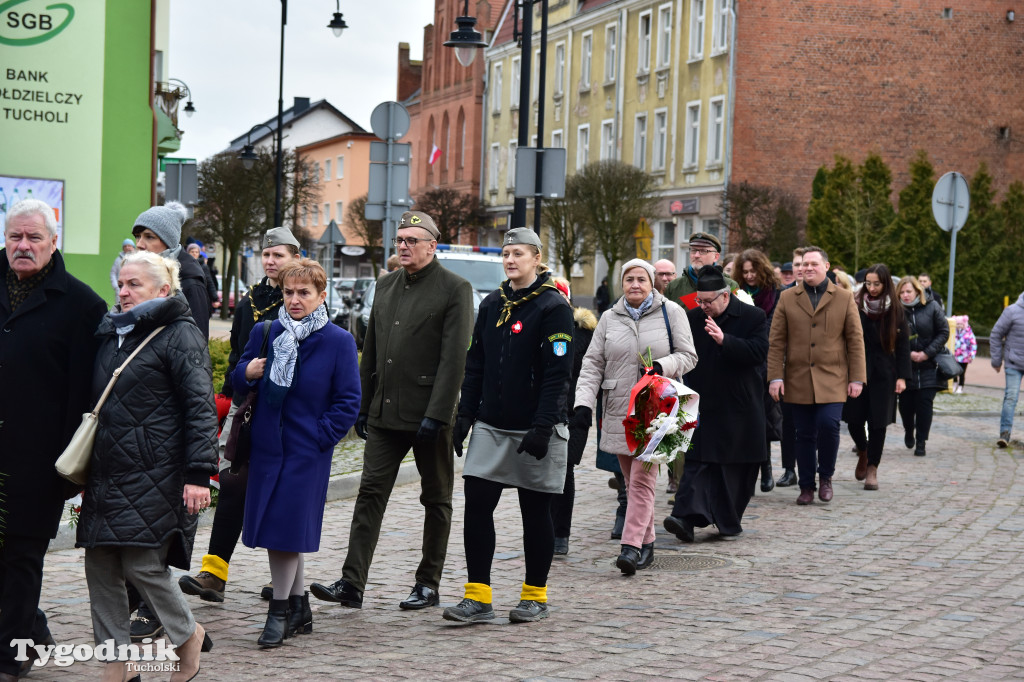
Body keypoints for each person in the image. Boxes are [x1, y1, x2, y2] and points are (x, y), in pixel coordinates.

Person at [310, 211, 473, 611]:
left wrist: (438, 415)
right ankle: (352, 583)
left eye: (412, 240)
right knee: (369, 495)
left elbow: (454, 360)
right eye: (399, 240)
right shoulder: (385, 286)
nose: (403, 246)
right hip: (384, 413)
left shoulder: (456, 288)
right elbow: (373, 352)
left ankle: (428, 583)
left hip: (428, 416)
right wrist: (364, 406)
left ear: (432, 245)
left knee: (436, 499)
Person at [76, 250, 218, 682]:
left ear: (163, 289)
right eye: (121, 283)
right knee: (99, 565)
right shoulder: (110, 332)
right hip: (106, 469)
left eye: (134, 284)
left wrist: (199, 474)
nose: (123, 292)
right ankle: (118, 663)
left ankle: (187, 636)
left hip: (157, 469)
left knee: (142, 565)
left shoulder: (180, 334)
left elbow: (200, 407)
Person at [442, 227, 574, 624]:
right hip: (492, 425)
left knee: (535, 513)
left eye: (518, 253)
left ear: (536, 257)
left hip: (535, 428)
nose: (510, 260)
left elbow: (558, 373)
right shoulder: (492, 303)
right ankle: (478, 596)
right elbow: (476, 363)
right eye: (506, 254)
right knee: (477, 507)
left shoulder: (553, 307)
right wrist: (465, 415)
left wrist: (543, 425)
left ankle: (535, 595)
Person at [0, 199, 107, 682]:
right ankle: (33, 630)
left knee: (22, 557)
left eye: (33, 238)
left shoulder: (82, 306)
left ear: (53, 241)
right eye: (14, 237)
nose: (23, 246)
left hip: (36, 459)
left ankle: (11, 656)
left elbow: (84, 396)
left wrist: (67, 471)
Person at [232, 258, 361, 647]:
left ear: (322, 296)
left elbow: (348, 401)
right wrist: (248, 372)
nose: (294, 300)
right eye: (288, 292)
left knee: (284, 531)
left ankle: (279, 612)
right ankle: (301, 606)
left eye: (304, 293)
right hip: (268, 449)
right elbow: (237, 379)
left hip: (307, 454)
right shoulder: (266, 331)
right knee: (283, 530)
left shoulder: (338, 341)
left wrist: (321, 437)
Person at [179, 228, 300, 604]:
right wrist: (235, 387)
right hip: (247, 405)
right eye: (266, 255)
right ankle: (214, 572)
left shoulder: (301, 299)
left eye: (278, 255)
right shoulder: (250, 301)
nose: (270, 261)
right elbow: (236, 354)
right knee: (231, 483)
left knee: (282, 494)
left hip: (289, 412)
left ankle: (287, 582)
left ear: (295, 256)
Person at [575, 259, 697, 575]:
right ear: (622, 283)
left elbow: (689, 356)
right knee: (631, 482)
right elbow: (592, 366)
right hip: (617, 410)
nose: (635, 285)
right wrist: (583, 405)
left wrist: (662, 366)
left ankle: (630, 547)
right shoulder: (608, 319)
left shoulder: (672, 313)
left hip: (656, 410)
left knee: (643, 480)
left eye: (641, 279)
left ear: (652, 282)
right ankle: (649, 543)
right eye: (629, 279)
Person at [664, 265, 768, 542]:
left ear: (725, 296)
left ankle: (726, 520)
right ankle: (684, 519)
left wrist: (726, 341)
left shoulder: (753, 316)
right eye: (700, 301)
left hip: (740, 406)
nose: (703, 306)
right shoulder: (693, 318)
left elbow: (758, 352)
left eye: (708, 301)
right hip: (704, 403)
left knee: (734, 469)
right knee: (699, 463)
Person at [767, 246, 866, 505]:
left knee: (829, 425)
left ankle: (826, 478)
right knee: (804, 433)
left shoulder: (844, 297)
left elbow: (855, 340)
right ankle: (806, 485)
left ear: (826, 266)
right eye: (803, 264)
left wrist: (857, 378)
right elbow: (776, 341)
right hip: (797, 378)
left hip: (833, 377)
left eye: (813, 263)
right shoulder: (788, 298)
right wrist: (775, 377)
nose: (807, 268)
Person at [843, 264, 910, 490]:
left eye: (876, 284)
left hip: (884, 372)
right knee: (853, 418)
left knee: (878, 422)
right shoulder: (854, 304)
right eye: (868, 283)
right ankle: (863, 449)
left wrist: (902, 377)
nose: (871, 288)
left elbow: (902, 347)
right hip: (857, 369)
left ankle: (873, 468)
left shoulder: (897, 310)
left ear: (886, 284)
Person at [549, 277, 597, 556]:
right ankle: (544, 527)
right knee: (541, 472)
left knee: (564, 470)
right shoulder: (538, 325)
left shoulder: (584, 333)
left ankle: (560, 533)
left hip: (574, 410)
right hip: (543, 410)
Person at [736, 249, 783, 493]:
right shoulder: (736, 293)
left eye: (753, 271)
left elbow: (774, 325)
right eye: (745, 272)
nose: (749, 276)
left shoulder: (774, 293)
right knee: (745, 420)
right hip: (743, 358)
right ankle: (748, 473)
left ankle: (766, 470)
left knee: (764, 418)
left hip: (766, 359)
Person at [132, 201, 209, 338]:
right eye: (137, 236)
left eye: (149, 237)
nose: (139, 244)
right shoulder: (138, 275)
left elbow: (198, 343)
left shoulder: (190, 282)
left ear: (169, 242)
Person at [896, 276, 949, 457]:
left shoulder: (932, 307)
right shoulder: (896, 311)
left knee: (925, 404)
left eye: (909, 291)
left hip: (929, 365)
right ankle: (909, 430)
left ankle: (921, 441)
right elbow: (889, 337)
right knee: (906, 406)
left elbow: (943, 332)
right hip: (905, 368)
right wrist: (907, 353)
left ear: (918, 291)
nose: (905, 295)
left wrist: (927, 352)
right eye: (902, 292)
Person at [775, 247, 808, 488]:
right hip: (789, 367)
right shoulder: (783, 295)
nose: (799, 269)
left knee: (813, 423)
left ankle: (812, 467)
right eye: (796, 265)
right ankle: (789, 469)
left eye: (803, 264)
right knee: (788, 422)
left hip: (816, 368)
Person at [664, 232, 738, 307]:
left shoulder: (730, 285)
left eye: (703, 251)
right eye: (693, 250)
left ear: (716, 257)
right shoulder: (674, 286)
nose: (696, 255)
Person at [990, 291, 1024, 448]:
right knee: (1011, 397)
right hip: (1013, 362)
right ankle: (1005, 434)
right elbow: (996, 334)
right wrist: (997, 360)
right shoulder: (1012, 311)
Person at [187, 242, 219, 314]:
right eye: (192, 252)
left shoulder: (203, 266)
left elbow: (210, 282)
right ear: (188, 252)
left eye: (196, 252)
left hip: (200, 296)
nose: (194, 254)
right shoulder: (183, 264)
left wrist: (215, 298)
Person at [952, 315, 977, 394]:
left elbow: (973, 345)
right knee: (954, 371)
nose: (959, 326)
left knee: (962, 372)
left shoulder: (969, 334)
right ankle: (954, 384)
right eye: (957, 324)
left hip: (964, 357)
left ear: (964, 324)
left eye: (961, 324)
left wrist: (971, 355)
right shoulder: (953, 332)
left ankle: (960, 386)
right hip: (954, 356)